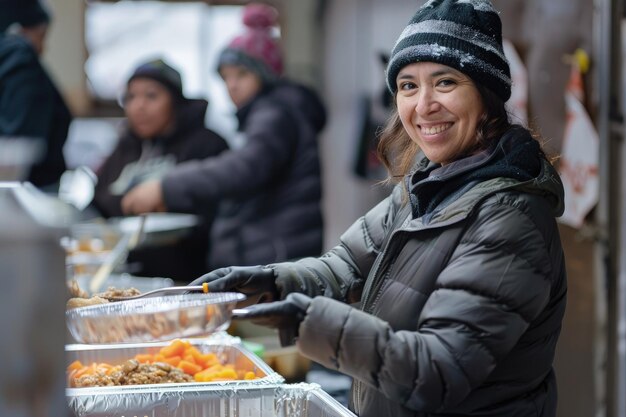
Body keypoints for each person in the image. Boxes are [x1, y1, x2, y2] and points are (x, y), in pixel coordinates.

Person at [189, 1, 567, 416]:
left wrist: (308, 322)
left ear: (487, 96)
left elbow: (437, 369)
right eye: (408, 86)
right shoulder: (425, 186)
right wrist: (273, 282)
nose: (423, 106)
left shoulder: (510, 217)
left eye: (445, 82)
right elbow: (344, 266)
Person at [121, 3, 326, 269]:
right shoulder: (268, 114)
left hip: (274, 257)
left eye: (242, 74)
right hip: (273, 252)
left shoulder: (275, 114)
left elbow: (245, 168)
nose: (232, 85)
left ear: (265, 74)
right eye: (225, 77)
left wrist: (166, 187)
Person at [92, 58, 229, 281]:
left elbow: (220, 213)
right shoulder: (124, 147)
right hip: (124, 278)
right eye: (131, 97)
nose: (139, 106)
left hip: (189, 280)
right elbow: (98, 204)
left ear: (175, 101)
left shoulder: (207, 145)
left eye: (151, 96)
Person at [0, 0, 73, 189]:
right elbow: (19, 146)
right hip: (24, 191)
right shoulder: (19, 57)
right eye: (41, 36)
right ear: (20, 30)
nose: (42, 48)